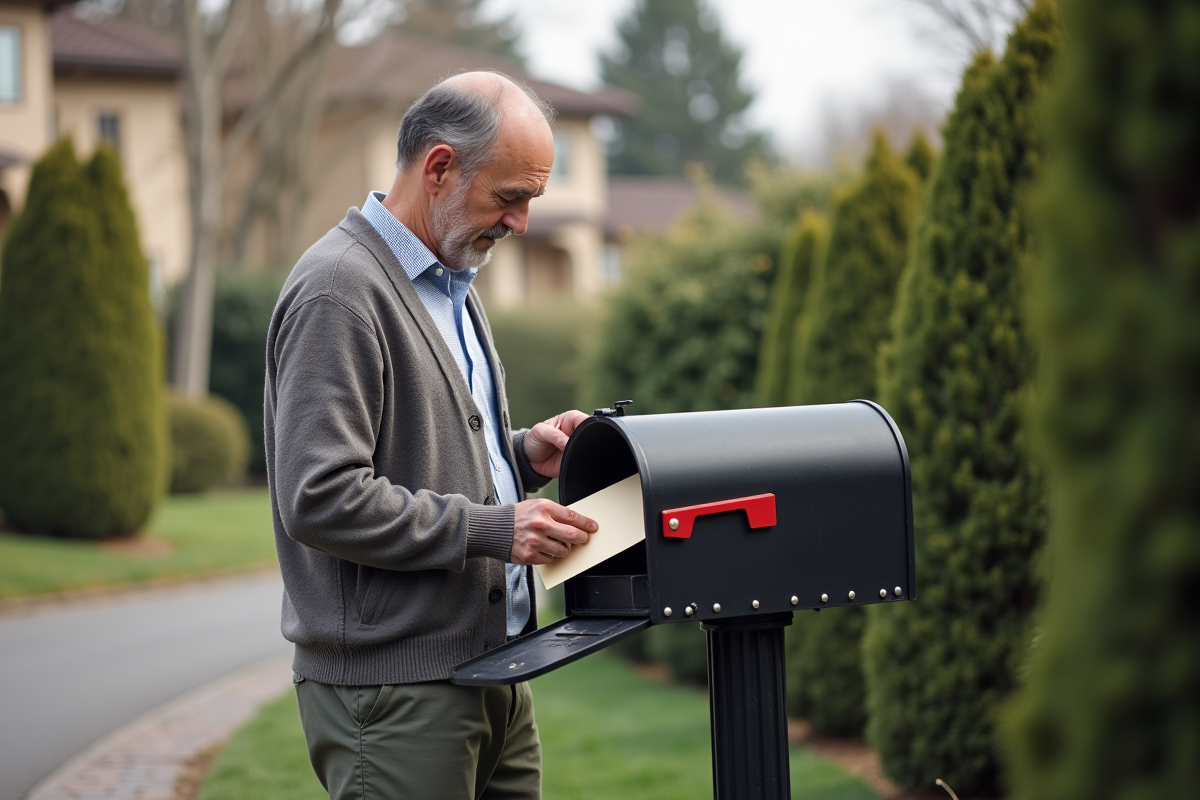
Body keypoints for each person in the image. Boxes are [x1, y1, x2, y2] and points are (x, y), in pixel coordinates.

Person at [264, 71, 599, 800]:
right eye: (510, 197)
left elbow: (422, 455)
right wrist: (491, 527)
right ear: (439, 168)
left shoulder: (450, 282)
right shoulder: (339, 290)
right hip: (397, 696)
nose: (521, 224)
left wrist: (520, 458)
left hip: (499, 673)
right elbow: (318, 495)